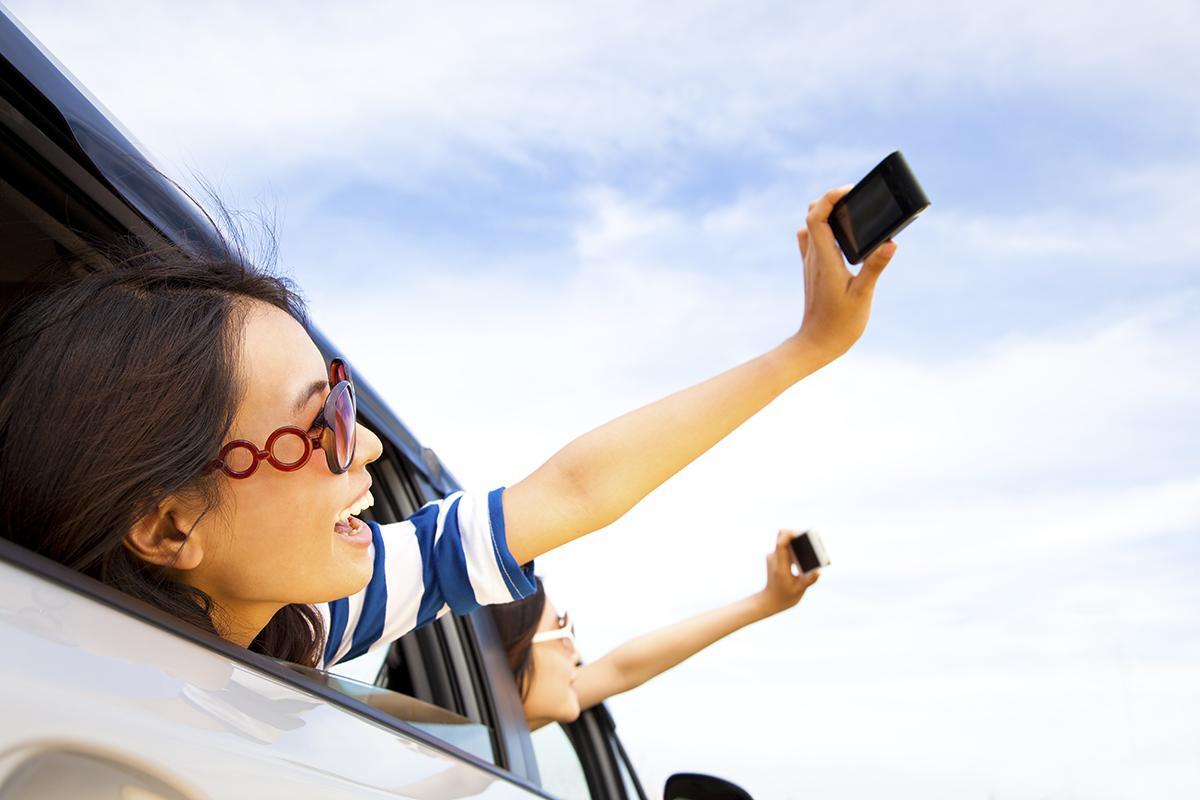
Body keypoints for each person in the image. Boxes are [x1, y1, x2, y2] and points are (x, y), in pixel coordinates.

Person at [0, 187, 894, 669]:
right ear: (169, 525)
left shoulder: (307, 618)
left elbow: (572, 490)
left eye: (347, 403)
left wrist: (807, 347)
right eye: (326, 426)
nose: (372, 448)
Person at [493, 530, 819, 729]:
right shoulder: (463, 739)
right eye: (562, 633)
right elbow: (621, 670)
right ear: (509, 652)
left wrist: (767, 602)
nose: (575, 653)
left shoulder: (490, 724)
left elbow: (624, 669)